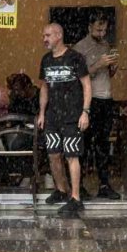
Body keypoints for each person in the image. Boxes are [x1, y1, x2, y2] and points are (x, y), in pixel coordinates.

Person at [37, 22, 91, 218]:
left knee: (72, 155)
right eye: (44, 35)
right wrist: (42, 112)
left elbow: (86, 85)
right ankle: (61, 189)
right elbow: (44, 87)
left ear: (59, 35)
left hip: (72, 116)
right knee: (53, 154)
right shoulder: (46, 60)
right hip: (52, 116)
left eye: (48, 35)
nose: (45, 39)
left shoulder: (75, 58)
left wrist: (85, 111)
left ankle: (75, 198)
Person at [74, 14, 121, 199]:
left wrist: (112, 67)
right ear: (89, 27)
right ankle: (80, 187)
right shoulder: (80, 48)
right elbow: (80, 76)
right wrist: (98, 64)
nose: (102, 33)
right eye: (98, 30)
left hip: (106, 98)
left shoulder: (106, 44)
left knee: (103, 145)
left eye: (104, 30)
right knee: (84, 145)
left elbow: (108, 74)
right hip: (89, 100)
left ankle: (104, 184)